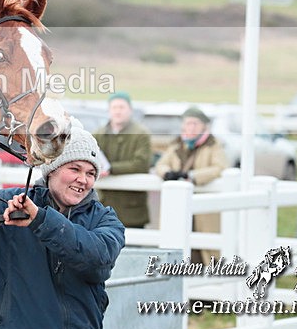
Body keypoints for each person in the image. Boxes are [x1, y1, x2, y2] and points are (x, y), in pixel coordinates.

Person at [0, 122, 125, 329]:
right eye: (75, 169)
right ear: (52, 169)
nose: (83, 179)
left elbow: (96, 258)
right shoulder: (9, 202)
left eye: (91, 173)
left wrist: (40, 220)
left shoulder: (106, 220)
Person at [154, 105, 228, 265]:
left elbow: (219, 168)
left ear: (204, 126)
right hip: (179, 205)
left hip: (204, 206)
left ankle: (213, 284)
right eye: (188, 123)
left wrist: (192, 176)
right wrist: (168, 173)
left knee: (208, 247)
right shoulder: (176, 145)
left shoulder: (213, 145)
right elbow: (161, 164)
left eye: (195, 123)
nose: (191, 127)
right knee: (179, 242)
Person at [94, 91, 153, 228]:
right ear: (109, 110)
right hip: (104, 204)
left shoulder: (141, 134)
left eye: (122, 107)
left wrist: (110, 169)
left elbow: (141, 164)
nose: (118, 111)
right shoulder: (98, 134)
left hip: (131, 207)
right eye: (114, 107)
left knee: (134, 247)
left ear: (130, 110)